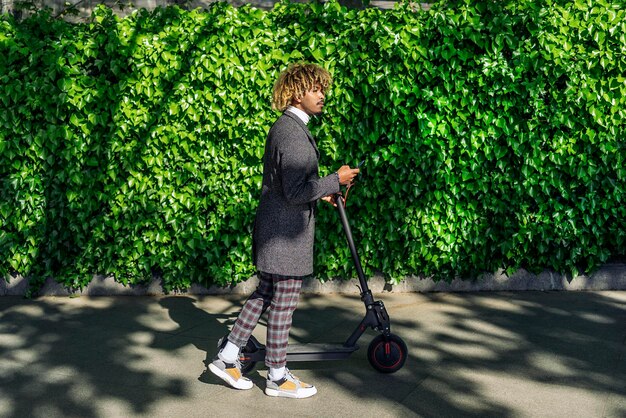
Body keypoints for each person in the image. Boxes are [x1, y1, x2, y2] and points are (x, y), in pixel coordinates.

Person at [208, 63, 360, 398]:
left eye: (323, 88)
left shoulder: (288, 128)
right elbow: (294, 192)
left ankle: (228, 357)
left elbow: (291, 186)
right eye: (315, 89)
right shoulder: (291, 132)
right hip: (284, 235)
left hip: (276, 229)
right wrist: (336, 180)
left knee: (265, 294)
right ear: (296, 92)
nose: (323, 95)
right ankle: (277, 377)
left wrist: (323, 193)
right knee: (283, 303)